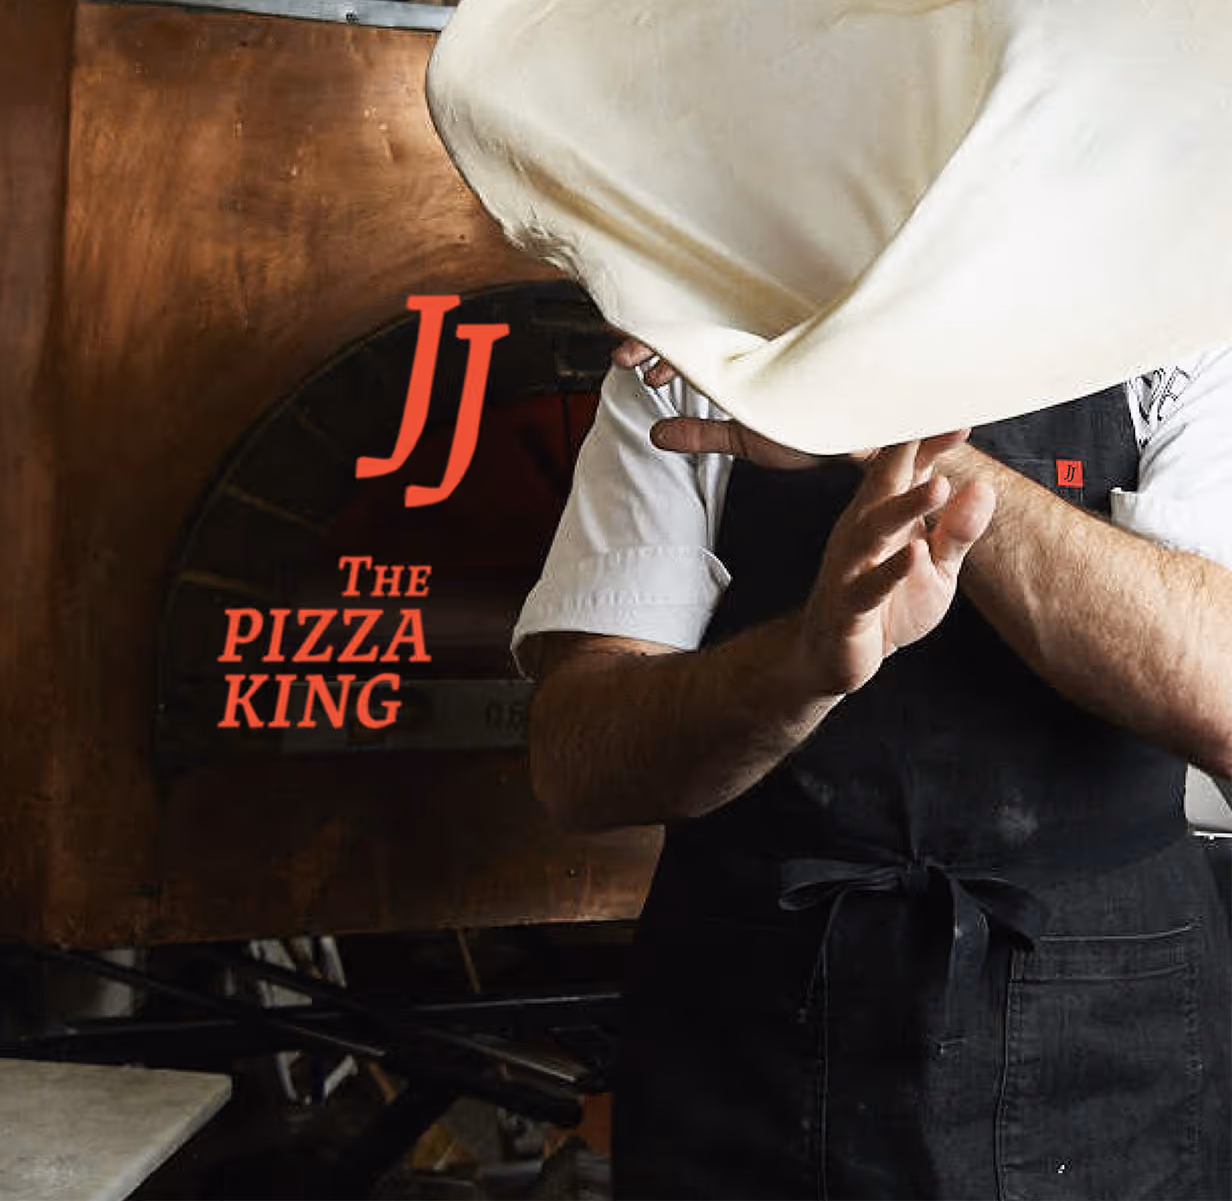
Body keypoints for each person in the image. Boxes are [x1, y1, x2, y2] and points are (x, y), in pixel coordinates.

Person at [516, 341, 1232, 1199]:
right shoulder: (696, 345)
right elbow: (578, 765)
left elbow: (1219, 696)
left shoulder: (1177, 325)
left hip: (1109, 1021)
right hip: (751, 1033)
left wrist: (890, 434)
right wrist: (803, 664)